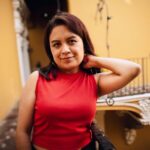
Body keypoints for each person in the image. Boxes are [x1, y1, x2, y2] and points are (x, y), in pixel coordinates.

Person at [16, 12, 141, 150]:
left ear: (83, 43)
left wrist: (93, 60)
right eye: (56, 44)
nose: (65, 50)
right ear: (50, 50)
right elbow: (22, 132)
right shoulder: (37, 79)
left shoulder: (94, 82)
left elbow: (133, 69)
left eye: (71, 41)